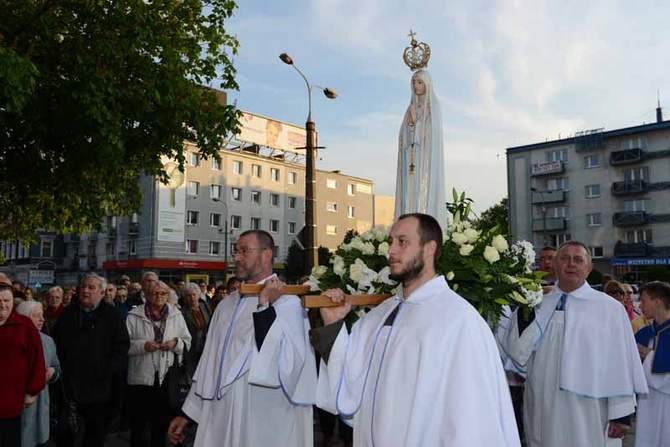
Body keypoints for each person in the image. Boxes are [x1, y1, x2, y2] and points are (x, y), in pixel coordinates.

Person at [313, 213, 519, 446]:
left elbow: (471, 416)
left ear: (429, 248)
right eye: (391, 242)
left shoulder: (459, 321)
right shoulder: (380, 315)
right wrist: (333, 324)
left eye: (402, 242)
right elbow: (347, 381)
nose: (391, 251)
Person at [167, 230, 316, 447]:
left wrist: (265, 307)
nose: (236, 257)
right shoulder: (226, 305)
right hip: (222, 416)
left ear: (267, 255)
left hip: (263, 420)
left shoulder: (288, 304)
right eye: (235, 251)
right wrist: (188, 414)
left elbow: (289, 366)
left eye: (244, 251)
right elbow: (211, 365)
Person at [502, 241, 648, 447]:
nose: (571, 264)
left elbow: (621, 362)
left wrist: (621, 413)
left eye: (578, 260)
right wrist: (525, 312)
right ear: (556, 265)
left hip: (589, 407)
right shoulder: (538, 303)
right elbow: (518, 354)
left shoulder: (609, 309)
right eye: (564, 258)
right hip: (544, 400)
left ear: (588, 268)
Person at [52, 273, 130, 447]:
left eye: (91, 288)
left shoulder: (113, 315)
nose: (85, 291)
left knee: (94, 434)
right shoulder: (68, 312)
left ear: (102, 293)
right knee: (65, 433)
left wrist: (106, 371)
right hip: (69, 387)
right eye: (84, 286)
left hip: (99, 389)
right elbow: (55, 343)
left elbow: (122, 347)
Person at [126, 280, 192, 447]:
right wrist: (143, 346)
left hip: (166, 377)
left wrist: (175, 344)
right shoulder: (133, 316)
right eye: (155, 293)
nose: (159, 296)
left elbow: (187, 341)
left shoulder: (176, 314)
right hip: (141, 378)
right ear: (146, 295)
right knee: (138, 425)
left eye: (163, 293)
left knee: (161, 424)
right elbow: (124, 345)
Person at [394, 69, 446, 226]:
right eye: (413, 82)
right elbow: (403, 137)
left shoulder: (433, 108)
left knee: (421, 194)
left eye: (419, 82)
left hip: (425, 162)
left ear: (427, 84)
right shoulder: (411, 107)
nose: (416, 86)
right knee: (409, 194)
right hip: (410, 159)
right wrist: (410, 125)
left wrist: (416, 123)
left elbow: (430, 137)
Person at [0, 275, 46, 446]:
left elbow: (37, 360)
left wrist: (32, 391)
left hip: (12, 402)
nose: (2, 305)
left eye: (7, 300)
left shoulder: (24, 325)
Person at [17, 300, 61, 447]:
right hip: (19, 403)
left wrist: (52, 372)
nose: (42, 319)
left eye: (42, 315)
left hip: (41, 402)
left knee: (39, 439)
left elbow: (57, 367)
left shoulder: (48, 341)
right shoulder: (14, 340)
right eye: (37, 315)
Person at [634, 281, 670, 447]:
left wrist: (650, 357)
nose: (640, 306)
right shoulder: (644, 334)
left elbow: (664, 380)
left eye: (644, 300)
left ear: (658, 302)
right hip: (648, 403)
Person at [180, 282, 212, 376]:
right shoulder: (181, 312)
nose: (192, 297)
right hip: (191, 349)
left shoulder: (205, 307)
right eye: (188, 295)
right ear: (184, 298)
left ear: (198, 295)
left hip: (205, 346)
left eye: (194, 294)